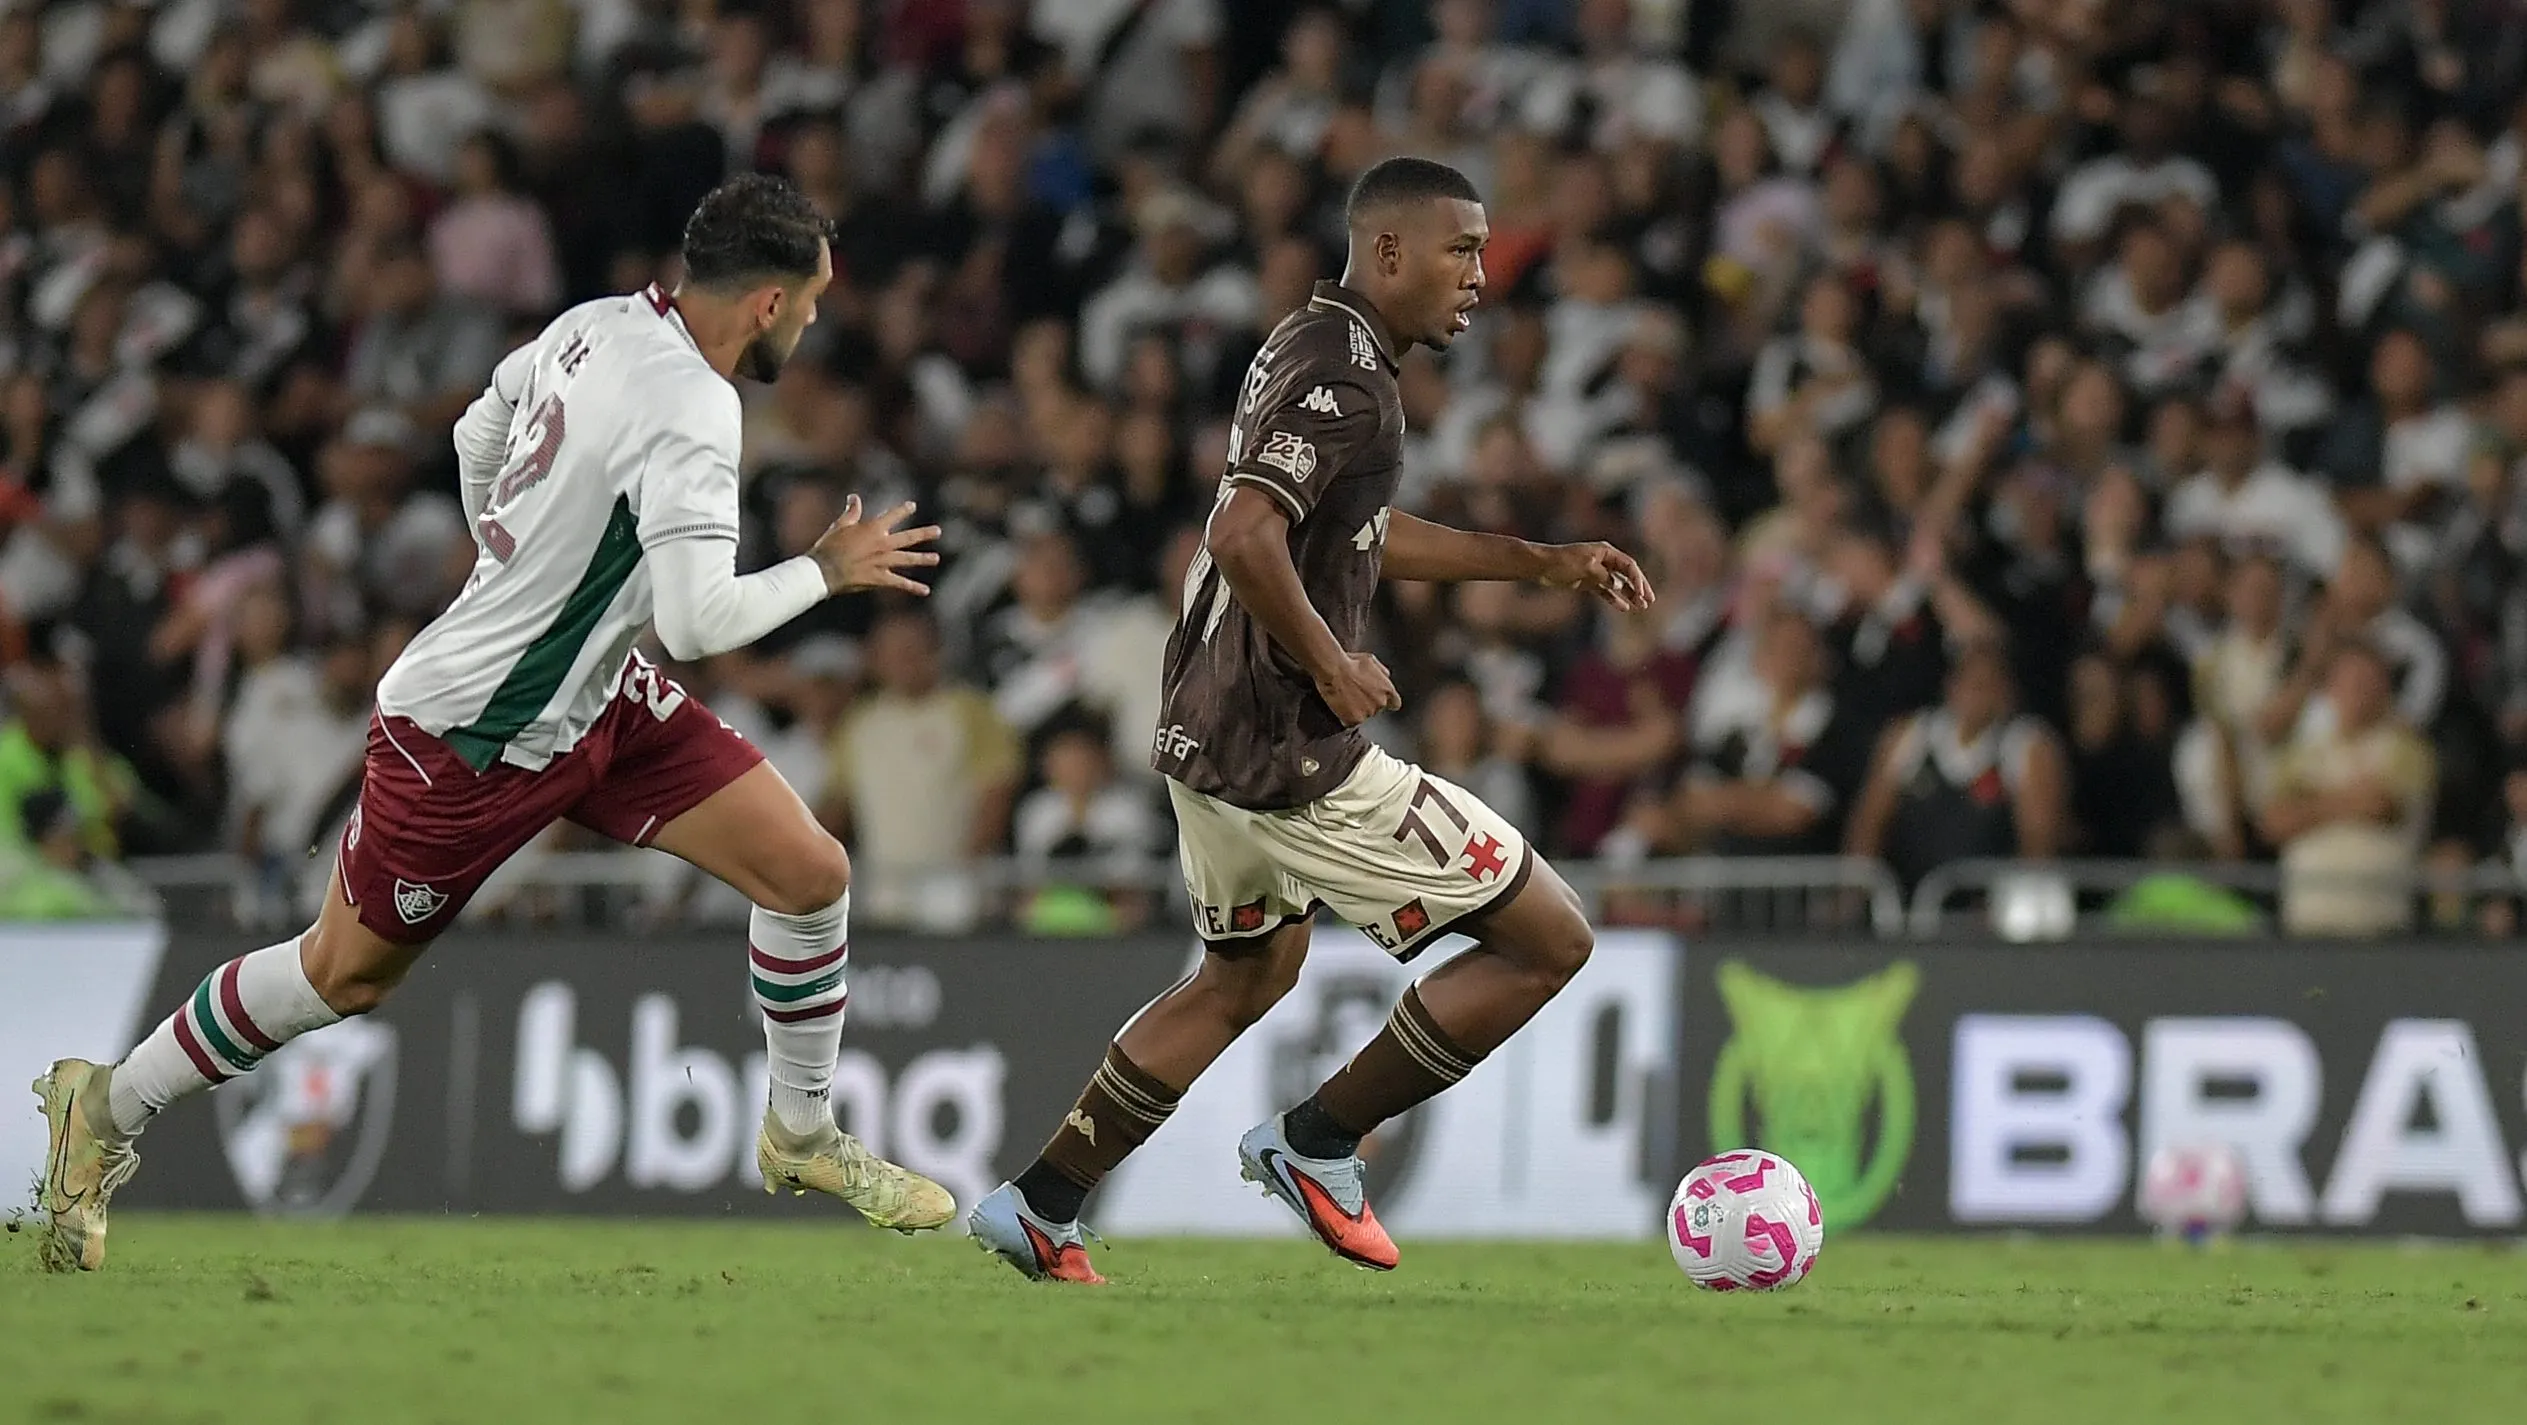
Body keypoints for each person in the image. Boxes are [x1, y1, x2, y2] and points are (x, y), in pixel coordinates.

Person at [30, 175, 950, 1274]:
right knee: (341, 976)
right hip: (468, 735)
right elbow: (699, 623)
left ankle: (800, 1136)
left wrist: (518, 567)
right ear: (765, 304)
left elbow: (480, 431)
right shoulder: (698, 407)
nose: (810, 321)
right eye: (808, 301)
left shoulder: (594, 324)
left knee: (808, 874)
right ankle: (105, 1110)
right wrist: (823, 570)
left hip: (597, 696)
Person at [964, 157, 1653, 1284]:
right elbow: (1243, 531)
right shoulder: (1347, 376)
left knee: (1241, 977)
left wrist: (1543, 565)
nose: (1480, 275)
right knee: (1549, 941)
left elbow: (1359, 528)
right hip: (1291, 757)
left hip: (1210, 735)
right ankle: (1319, 1140)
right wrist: (1330, 665)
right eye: (1461, 250)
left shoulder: (1309, 340)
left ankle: (1041, 1205)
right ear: (1388, 251)